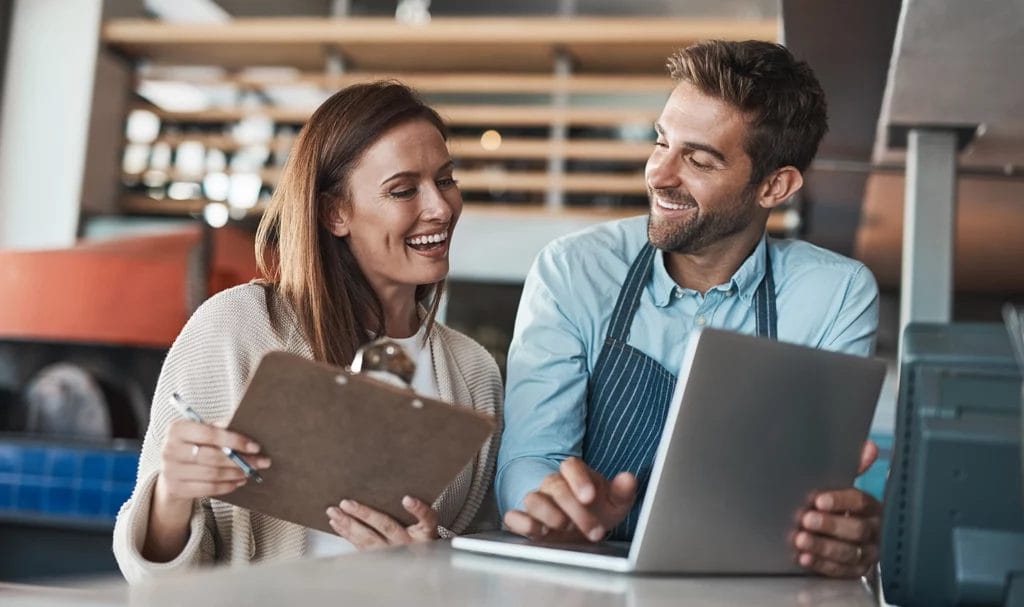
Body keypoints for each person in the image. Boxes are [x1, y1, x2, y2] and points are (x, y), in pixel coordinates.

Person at [496, 40, 882, 579]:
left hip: (739, 583)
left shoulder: (835, 295)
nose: (659, 174)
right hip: (582, 572)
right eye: (661, 142)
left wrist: (834, 530)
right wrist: (552, 506)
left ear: (775, 185)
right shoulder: (572, 271)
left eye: (698, 159)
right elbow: (528, 456)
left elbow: (812, 499)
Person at [113, 82, 502, 583]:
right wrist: (171, 495)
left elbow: (488, 562)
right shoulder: (237, 329)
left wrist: (435, 559)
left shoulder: (474, 374)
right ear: (334, 213)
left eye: (445, 180)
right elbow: (150, 576)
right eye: (404, 190)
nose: (441, 208)